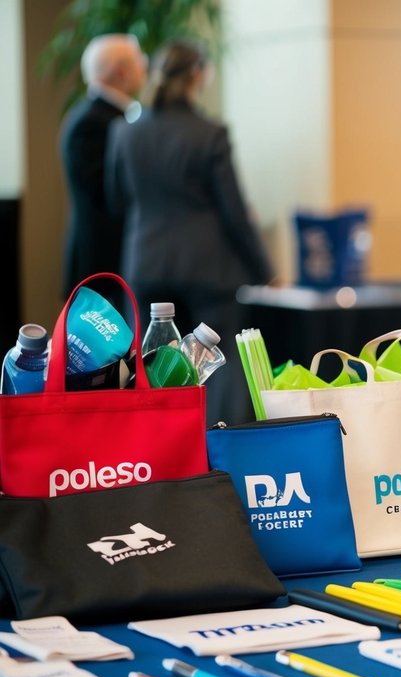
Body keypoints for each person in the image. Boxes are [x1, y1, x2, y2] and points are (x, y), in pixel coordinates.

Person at [106, 39, 272, 422]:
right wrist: (265, 270)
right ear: (198, 74)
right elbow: (234, 212)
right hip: (206, 268)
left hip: (145, 263)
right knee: (217, 367)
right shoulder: (209, 133)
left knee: (147, 367)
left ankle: (151, 452)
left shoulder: (124, 133)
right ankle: (215, 456)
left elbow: (116, 201)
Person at [59, 34, 146, 294]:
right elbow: (107, 194)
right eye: (139, 61)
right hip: (101, 269)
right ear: (121, 72)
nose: (145, 67)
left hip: (114, 265)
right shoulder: (91, 123)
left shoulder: (113, 118)